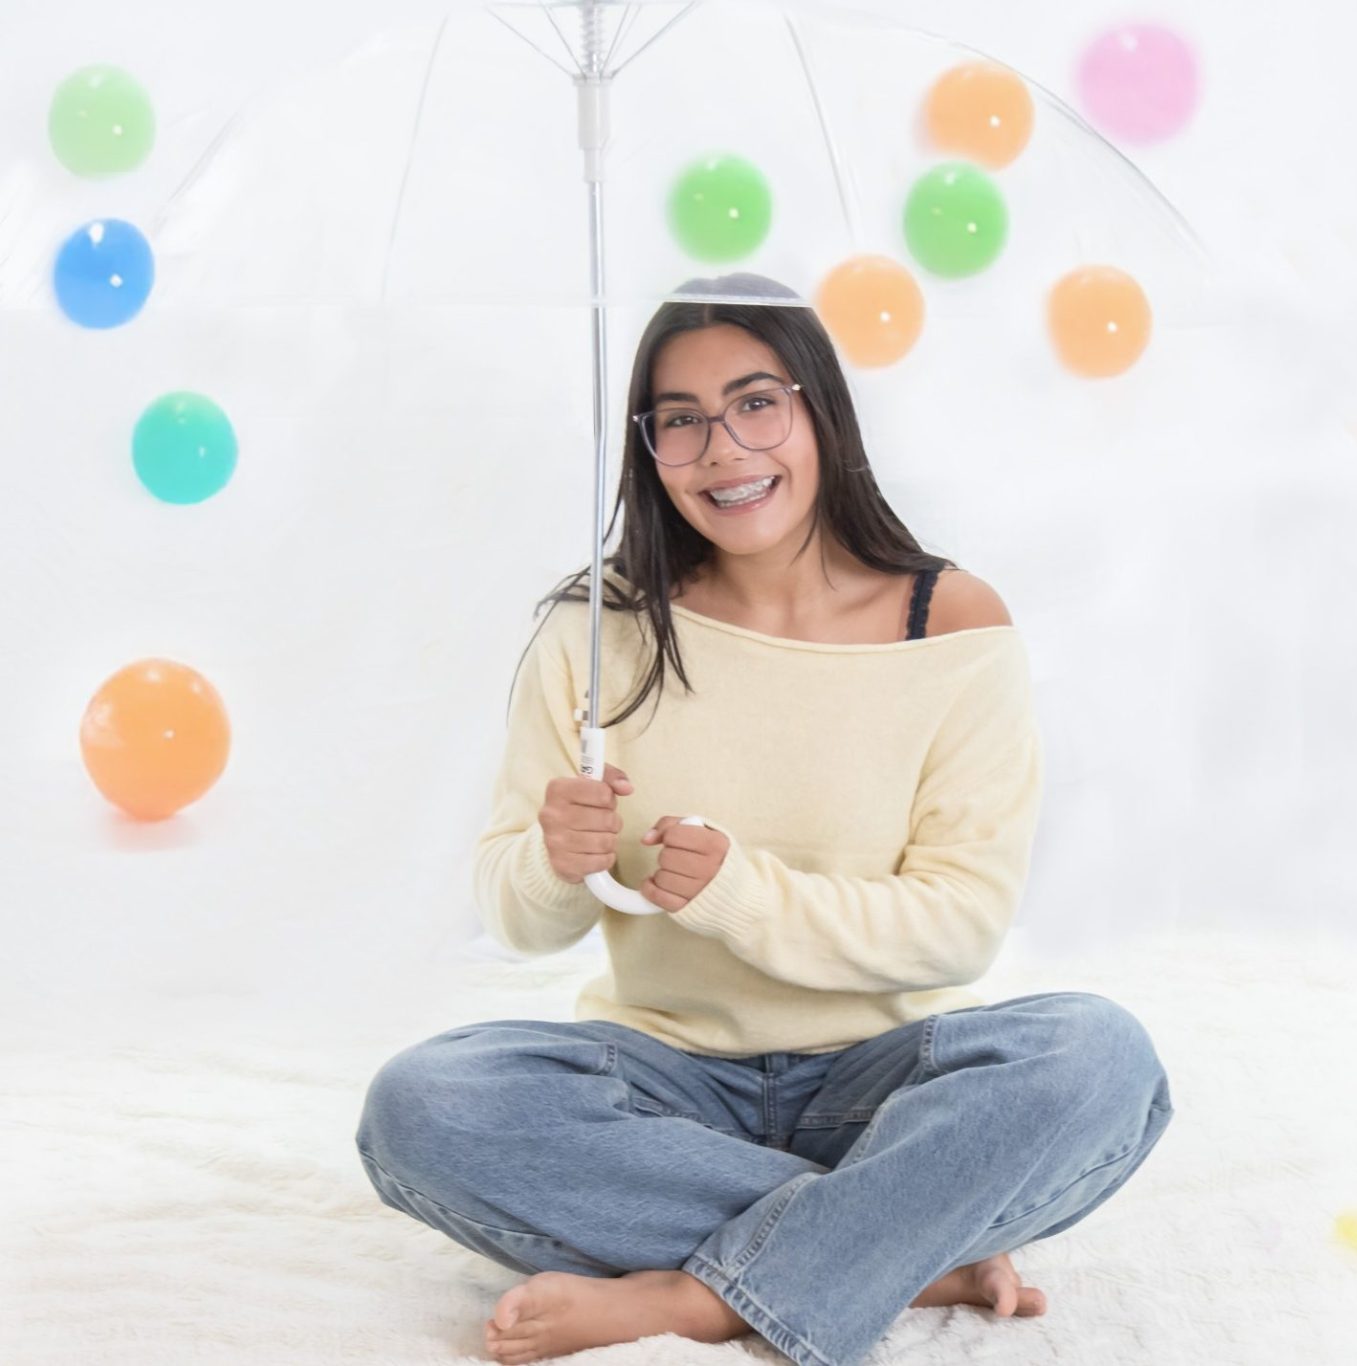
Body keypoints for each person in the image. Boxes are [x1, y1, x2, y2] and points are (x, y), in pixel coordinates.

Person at [355, 273, 1175, 1366]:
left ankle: (704, 1298)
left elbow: (961, 924)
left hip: (892, 1081)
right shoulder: (595, 626)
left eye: (755, 403)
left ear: (819, 409)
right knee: (424, 1105)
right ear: (648, 447)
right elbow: (520, 919)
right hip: (663, 1085)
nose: (723, 451)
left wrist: (743, 897)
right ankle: (898, 1246)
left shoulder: (951, 623)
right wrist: (556, 862)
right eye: (680, 420)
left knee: (1098, 1058)